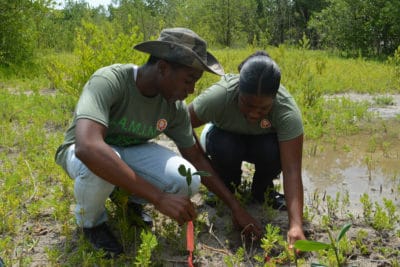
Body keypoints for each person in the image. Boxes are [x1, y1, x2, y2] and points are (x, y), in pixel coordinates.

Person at [55, 27, 262, 258]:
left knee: (188, 178)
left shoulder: (174, 108)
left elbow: (195, 157)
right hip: (82, 154)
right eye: (188, 80)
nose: (191, 90)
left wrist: (235, 207)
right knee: (99, 165)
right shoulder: (111, 81)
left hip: (129, 152)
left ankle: (130, 203)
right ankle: (92, 224)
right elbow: (87, 147)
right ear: (163, 68)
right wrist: (158, 197)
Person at [188, 50, 306, 247]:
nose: (253, 114)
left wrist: (296, 225)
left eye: (263, 109)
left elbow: (292, 169)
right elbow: (182, 122)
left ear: (274, 98)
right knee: (225, 145)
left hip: (261, 144)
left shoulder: (286, 110)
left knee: (271, 150)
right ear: (238, 91)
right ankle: (226, 185)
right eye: (247, 104)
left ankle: (262, 191)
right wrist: (209, 172)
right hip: (222, 139)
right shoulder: (221, 95)